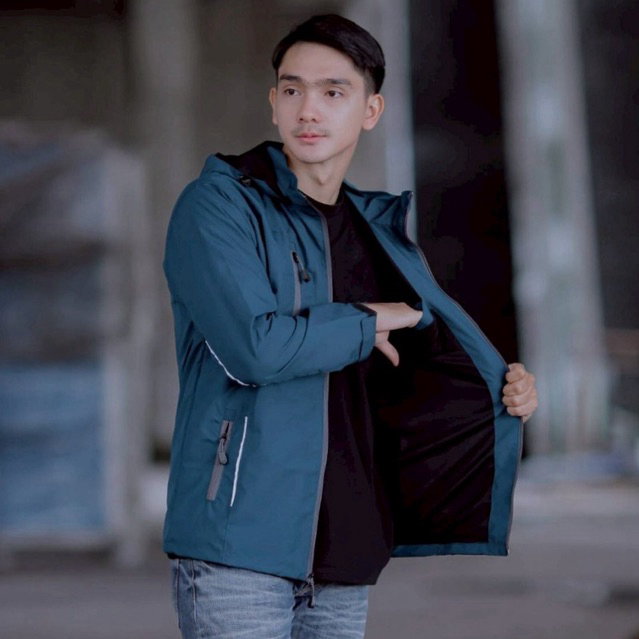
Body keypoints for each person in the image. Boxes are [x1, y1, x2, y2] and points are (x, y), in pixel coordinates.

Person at [163, 13, 538, 639]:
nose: (308, 109)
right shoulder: (219, 204)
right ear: (274, 103)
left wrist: (502, 387)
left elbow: (421, 359)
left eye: (333, 91)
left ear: (371, 110)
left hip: (347, 553)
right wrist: (367, 318)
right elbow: (257, 349)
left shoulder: (378, 230)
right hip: (240, 547)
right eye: (292, 89)